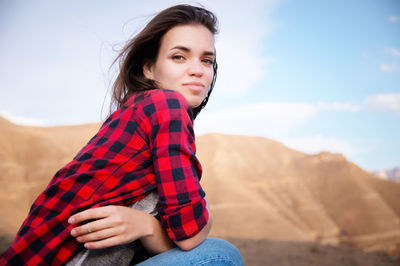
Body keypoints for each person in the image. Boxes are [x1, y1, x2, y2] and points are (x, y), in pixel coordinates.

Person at [0, 4, 243, 266]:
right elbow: (190, 232)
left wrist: (147, 226)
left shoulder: (134, 115)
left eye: (207, 60)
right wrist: (197, 218)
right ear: (148, 68)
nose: (198, 70)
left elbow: (170, 246)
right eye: (179, 57)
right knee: (221, 255)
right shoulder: (166, 106)